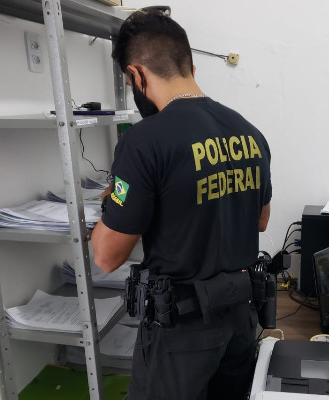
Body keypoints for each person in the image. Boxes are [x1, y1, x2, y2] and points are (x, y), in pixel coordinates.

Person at [91, 10, 272, 400]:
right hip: (241, 321)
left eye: (130, 82)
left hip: (181, 333)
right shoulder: (249, 133)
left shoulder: (144, 141)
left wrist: (112, 203)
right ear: (190, 65)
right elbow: (261, 219)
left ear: (136, 75)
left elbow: (106, 256)